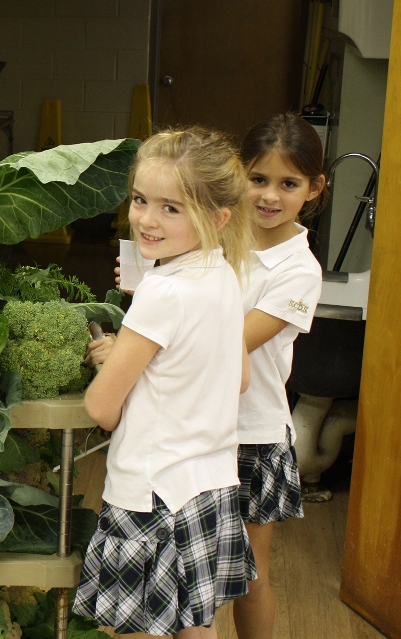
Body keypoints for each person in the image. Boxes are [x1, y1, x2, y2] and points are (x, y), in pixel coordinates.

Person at [75, 127, 256, 638]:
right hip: (209, 486)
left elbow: (101, 407)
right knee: (195, 627)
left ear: (217, 218)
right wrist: (141, 353)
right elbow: (237, 377)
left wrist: (114, 362)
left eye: (171, 208)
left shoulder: (163, 294)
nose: (147, 219)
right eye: (139, 200)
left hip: (151, 492)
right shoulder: (223, 272)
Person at [230, 114, 325, 639]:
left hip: (253, 435)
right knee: (188, 569)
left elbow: (230, 341)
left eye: (287, 184)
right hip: (194, 427)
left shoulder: (299, 270)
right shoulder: (218, 237)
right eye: (259, 179)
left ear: (314, 189)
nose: (269, 195)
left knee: (249, 573)